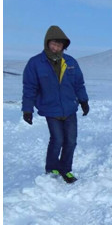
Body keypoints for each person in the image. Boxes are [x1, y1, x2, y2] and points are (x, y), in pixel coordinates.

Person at [22, 25, 89, 184]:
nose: (56, 47)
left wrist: (84, 100)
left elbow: (79, 84)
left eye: (59, 45)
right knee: (57, 139)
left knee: (71, 141)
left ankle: (66, 169)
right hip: (50, 109)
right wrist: (27, 109)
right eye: (53, 44)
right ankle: (52, 167)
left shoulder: (70, 62)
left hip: (70, 108)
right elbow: (30, 87)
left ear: (63, 46)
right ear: (47, 43)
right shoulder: (35, 63)